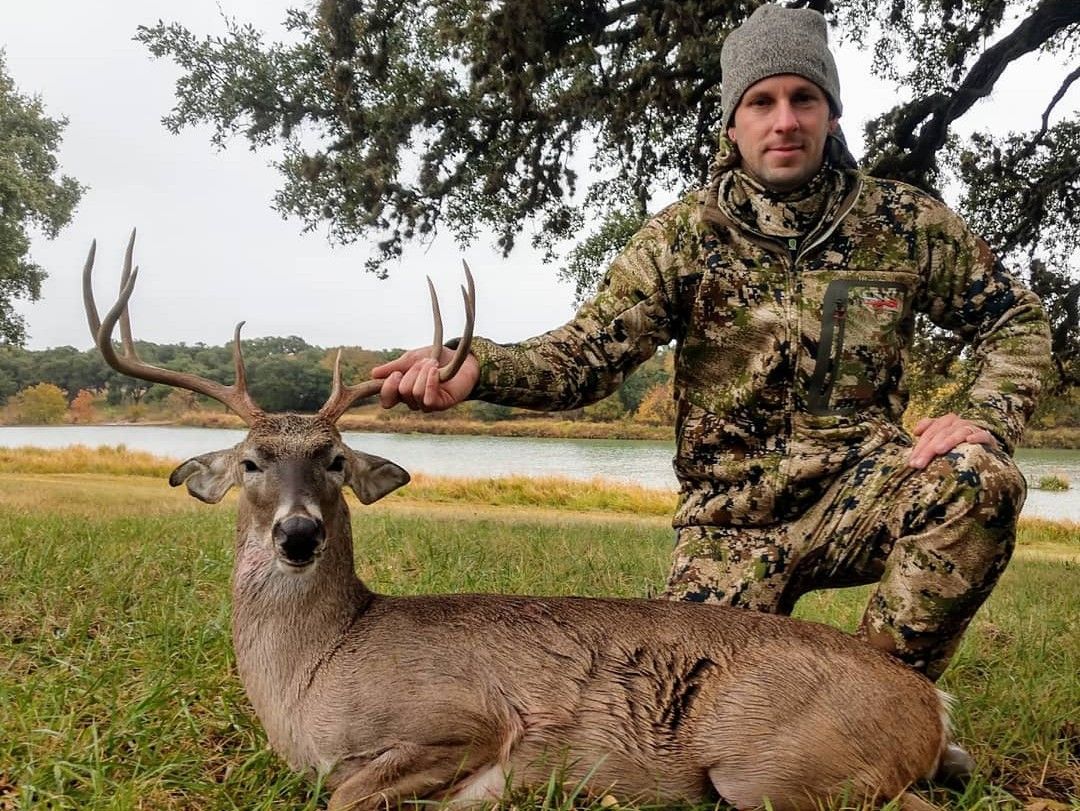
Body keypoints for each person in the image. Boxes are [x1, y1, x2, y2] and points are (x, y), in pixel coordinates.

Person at [372, 3, 1053, 683]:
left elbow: (1016, 321)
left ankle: (883, 707)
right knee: (673, 708)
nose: (784, 119)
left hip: (859, 491)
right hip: (731, 523)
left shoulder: (905, 223)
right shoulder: (681, 236)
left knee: (977, 480)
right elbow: (582, 356)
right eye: (761, 101)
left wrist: (987, 419)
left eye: (803, 98)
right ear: (734, 122)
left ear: (831, 114)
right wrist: (477, 367)